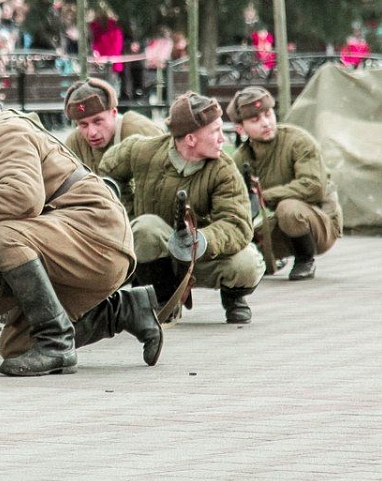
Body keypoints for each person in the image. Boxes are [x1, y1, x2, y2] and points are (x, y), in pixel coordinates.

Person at [0, 74, 162, 376]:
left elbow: (23, 197)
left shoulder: (2, 135)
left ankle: (57, 344)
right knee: (17, 349)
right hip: (79, 238)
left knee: (2, 235)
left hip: (97, 237)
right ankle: (125, 311)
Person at [99, 92, 263, 324]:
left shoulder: (223, 170)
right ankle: (162, 298)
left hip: (201, 255)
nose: (222, 139)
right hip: (157, 250)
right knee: (144, 228)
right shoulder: (143, 150)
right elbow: (107, 173)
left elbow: (237, 223)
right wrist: (129, 215)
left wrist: (200, 238)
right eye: (215, 131)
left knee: (247, 264)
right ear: (190, 139)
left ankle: (234, 299)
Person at [227, 86, 342, 281]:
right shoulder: (241, 158)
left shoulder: (297, 141)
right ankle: (271, 259)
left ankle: (305, 259)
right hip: (281, 224)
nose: (266, 123)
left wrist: (263, 195)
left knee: (287, 208)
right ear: (240, 128)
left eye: (268, 114)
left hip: (321, 222)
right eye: (255, 120)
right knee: (237, 253)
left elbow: (313, 187)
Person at [62, 77, 161, 215]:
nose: (92, 133)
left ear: (113, 113)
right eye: (83, 124)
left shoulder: (138, 130)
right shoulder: (75, 142)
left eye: (98, 121)